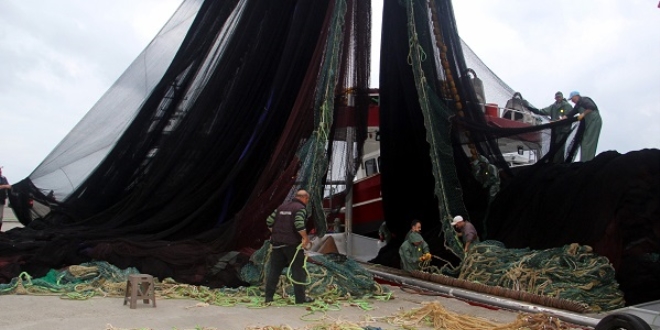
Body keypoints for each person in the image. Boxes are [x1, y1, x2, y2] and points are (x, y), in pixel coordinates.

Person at [264, 189, 313, 304]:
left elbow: (269, 221)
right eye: (308, 200)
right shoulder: (300, 208)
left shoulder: (281, 207)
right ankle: (300, 299)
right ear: (305, 198)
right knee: (298, 272)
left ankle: (268, 298)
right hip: (292, 246)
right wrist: (305, 238)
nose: (307, 202)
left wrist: (277, 233)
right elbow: (299, 224)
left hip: (277, 244)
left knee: (274, 271)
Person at [532, 91, 573, 163]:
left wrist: (558, 121)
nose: (558, 99)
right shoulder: (553, 106)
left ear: (562, 97)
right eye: (556, 97)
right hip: (555, 130)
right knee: (553, 146)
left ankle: (558, 162)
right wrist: (532, 109)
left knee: (560, 147)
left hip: (563, 130)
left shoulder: (567, 106)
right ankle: (553, 161)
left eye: (559, 97)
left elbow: (568, 116)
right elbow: (542, 111)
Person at [563, 91, 602, 162]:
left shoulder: (584, 100)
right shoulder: (578, 105)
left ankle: (588, 160)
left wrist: (583, 114)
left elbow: (591, 107)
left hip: (594, 121)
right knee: (584, 141)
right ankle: (584, 160)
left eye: (572, 98)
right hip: (588, 123)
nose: (572, 100)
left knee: (588, 141)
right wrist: (564, 117)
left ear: (576, 96)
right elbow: (571, 113)